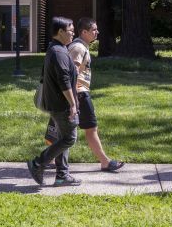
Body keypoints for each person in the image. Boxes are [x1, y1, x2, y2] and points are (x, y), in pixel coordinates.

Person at [60, 17, 123, 172]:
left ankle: (49, 161)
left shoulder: (81, 46)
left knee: (62, 132)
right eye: (94, 30)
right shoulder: (79, 48)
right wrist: (73, 97)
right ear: (84, 32)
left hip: (77, 93)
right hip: (80, 93)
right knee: (91, 128)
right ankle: (105, 162)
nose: (97, 32)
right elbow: (71, 72)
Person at [27, 16, 81, 187]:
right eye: (70, 31)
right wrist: (72, 104)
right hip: (62, 104)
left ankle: (62, 176)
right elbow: (63, 81)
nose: (73, 34)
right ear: (60, 32)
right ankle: (38, 163)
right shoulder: (58, 52)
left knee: (62, 138)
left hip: (57, 102)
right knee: (69, 138)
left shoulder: (56, 49)